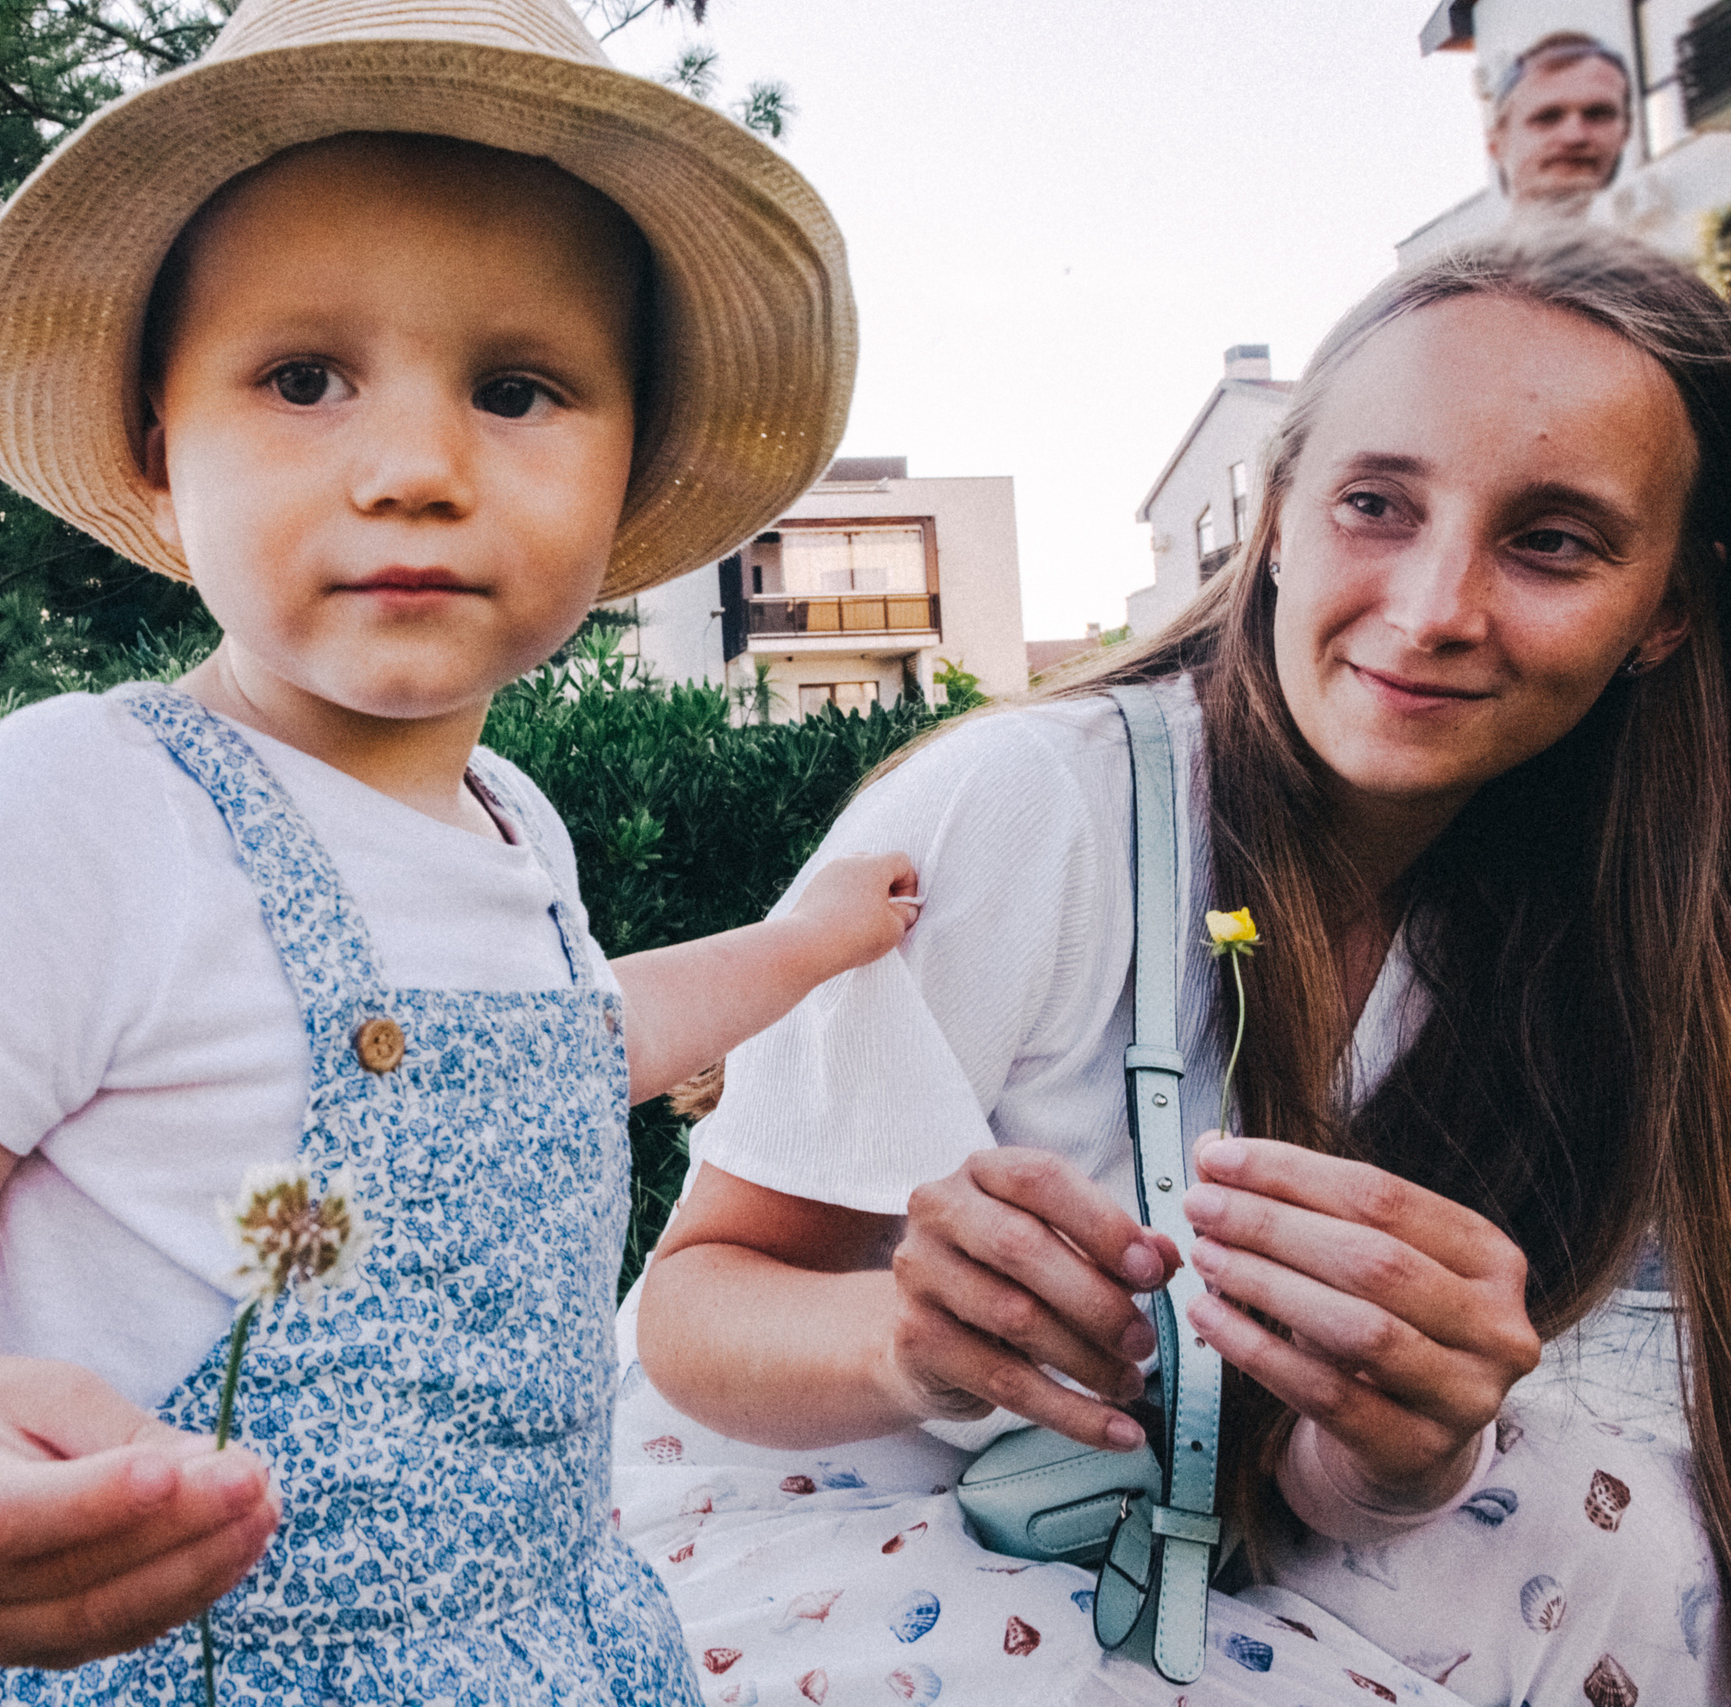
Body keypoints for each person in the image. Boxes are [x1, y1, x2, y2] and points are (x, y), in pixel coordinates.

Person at [0, 0, 920, 1701]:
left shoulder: (517, 823)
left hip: (548, 1642)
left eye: (517, 387)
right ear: (152, 437)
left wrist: (818, 940)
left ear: (628, 469)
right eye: (302, 376)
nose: (415, 466)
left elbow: (573, 1046)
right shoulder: (70, 812)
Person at [617, 227, 1728, 1706]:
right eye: (1377, 504)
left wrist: (1399, 1446)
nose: (1436, 605)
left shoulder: (1593, 928)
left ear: (1665, 609)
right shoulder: (1033, 807)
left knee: (1654, 1557)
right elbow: (697, 1300)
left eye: (1554, 540)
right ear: (1275, 520)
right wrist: (912, 1337)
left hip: (1196, 1541)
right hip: (837, 1515)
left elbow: (1298, 1488)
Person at [1486, 32, 1633, 218]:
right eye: (1547, 117)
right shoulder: (1458, 248)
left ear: (1625, 133)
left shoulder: (1644, 246)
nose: (1575, 136)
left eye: (1598, 114)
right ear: (1496, 145)